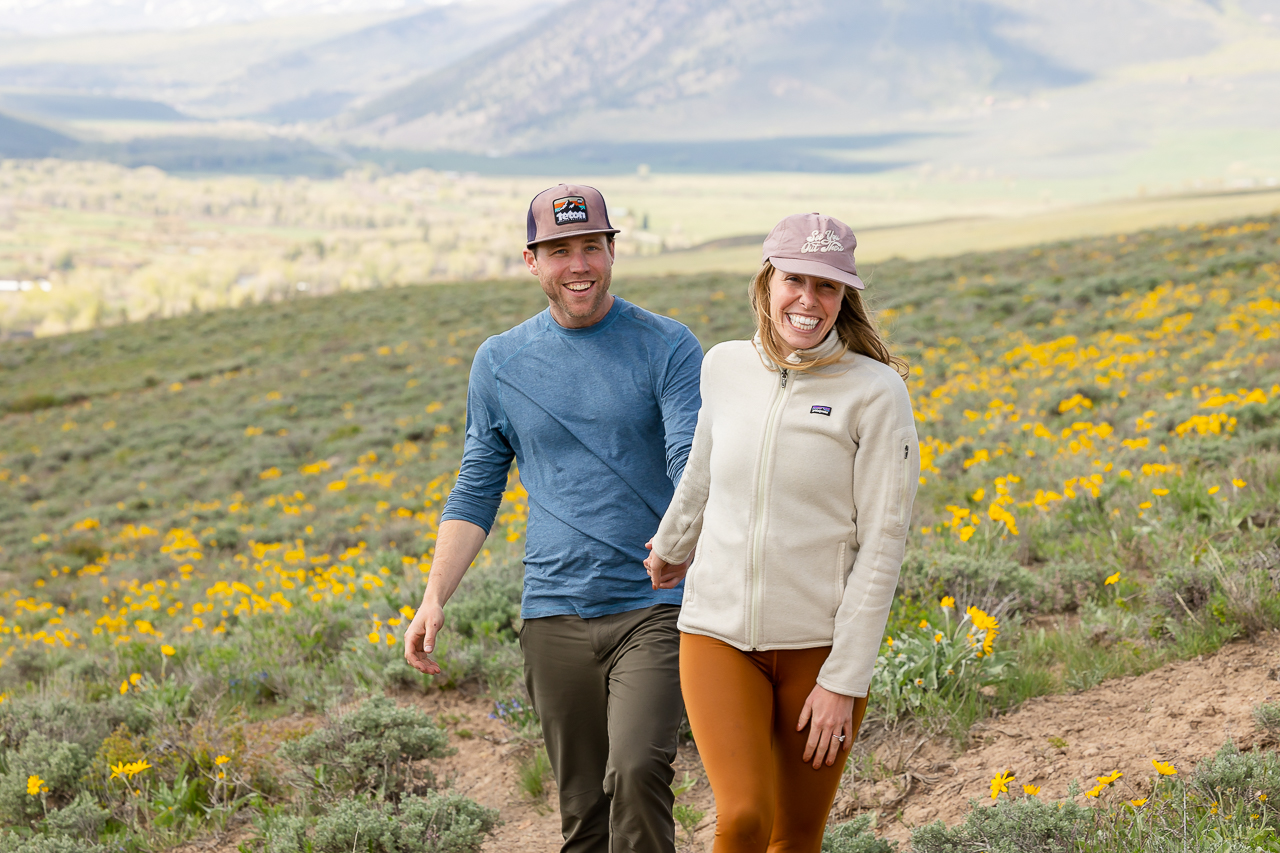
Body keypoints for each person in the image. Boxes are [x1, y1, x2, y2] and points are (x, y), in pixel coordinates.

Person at [403, 183, 703, 853]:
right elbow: (477, 486)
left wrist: (681, 537)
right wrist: (434, 595)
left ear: (612, 251)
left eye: (591, 247)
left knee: (639, 769)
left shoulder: (668, 345)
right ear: (532, 261)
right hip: (552, 612)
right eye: (560, 250)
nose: (578, 265)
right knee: (582, 811)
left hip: (654, 602)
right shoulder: (500, 362)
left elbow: (691, 459)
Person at [643, 213, 919, 853]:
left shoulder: (876, 394)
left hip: (818, 650)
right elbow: (703, 473)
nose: (809, 300)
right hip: (716, 634)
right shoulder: (725, 366)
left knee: (795, 838)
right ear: (767, 281)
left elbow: (882, 547)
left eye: (828, 286)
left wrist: (844, 681)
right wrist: (673, 544)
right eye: (795, 278)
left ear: (844, 297)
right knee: (742, 819)